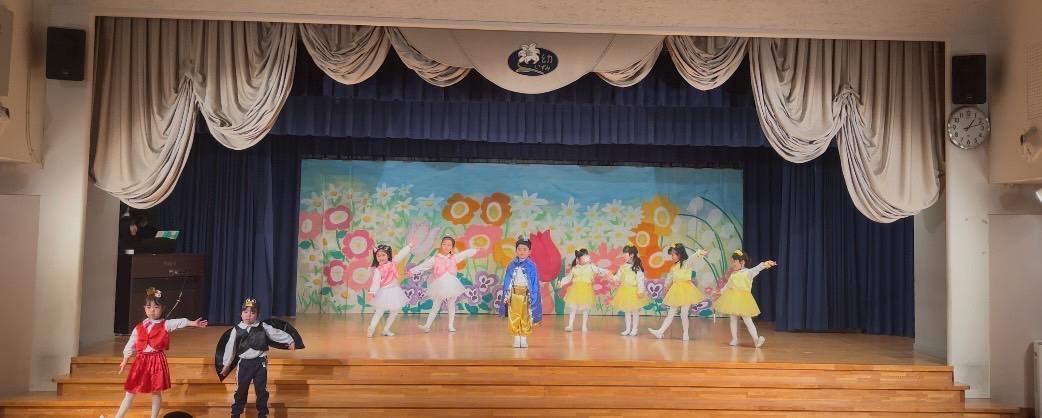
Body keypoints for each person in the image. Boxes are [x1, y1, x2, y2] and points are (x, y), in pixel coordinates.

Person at [115, 287, 207, 418]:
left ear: (162, 308)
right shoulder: (139, 327)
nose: (152, 310)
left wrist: (193, 323)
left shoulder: (166, 324)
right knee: (130, 391)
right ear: (144, 309)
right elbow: (131, 344)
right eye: (149, 307)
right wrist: (125, 359)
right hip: (140, 361)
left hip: (156, 361)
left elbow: (180, 322)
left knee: (156, 392)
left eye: (156, 307)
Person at [216, 298, 304, 418]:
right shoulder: (236, 330)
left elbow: (276, 333)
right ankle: (235, 414)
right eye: (246, 312)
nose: (249, 315)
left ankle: (263, 414)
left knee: (262, 391)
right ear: (241, 314)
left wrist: (290, 340)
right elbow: (230, 348)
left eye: (253, 312)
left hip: (259, 364)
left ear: (258, 315)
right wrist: (226, 365)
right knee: (240, 390)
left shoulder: (263, 326)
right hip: (244, 365)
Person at [408, 236, 477, 333]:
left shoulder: (454, 257)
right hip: (440, 284)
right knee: (436, 305)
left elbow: (464, 254)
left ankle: (450, 325)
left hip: (452, 284)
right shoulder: (435, 259)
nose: (445, 246)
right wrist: (413, 270)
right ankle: (427, 325)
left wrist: (473, 250)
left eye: (448, 245)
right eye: (444, 244)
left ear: (452, 248)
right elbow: (424, 266)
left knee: (451, 304)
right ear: (441, 245)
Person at [714, 250, 777, 348]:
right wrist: (720, 292)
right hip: (733, 298)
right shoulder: (733, 274)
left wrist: (766, 264)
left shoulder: (748, 273)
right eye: (732, 261)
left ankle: (756, 340)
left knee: (747, 319)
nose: (733, 263)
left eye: (735, 261)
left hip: (744, 299)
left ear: (742, 262)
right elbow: (728, 285)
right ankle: (734, 339)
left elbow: (757, 268)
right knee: (733, 318)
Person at [649, 244, 709, 340]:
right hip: (676, 291)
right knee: (670, 313)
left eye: (673, 255)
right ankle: (660, 332)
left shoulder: (686, 263)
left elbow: (694, 257)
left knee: (683, 314)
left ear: (679, 254)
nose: (672, 257)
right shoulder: (673, 267)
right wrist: (665, 288)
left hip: (686, 290)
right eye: (671, 255)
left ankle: (686, 334)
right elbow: (669, 278)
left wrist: (701, 252)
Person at [366, 240, 415, 337]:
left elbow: (401, 254)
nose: (380, 257)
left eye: (383, 255)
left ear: (388, 255)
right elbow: (375, 282)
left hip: (394, 291)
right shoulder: (378, 270)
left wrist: (409, 246)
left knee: (394, 311)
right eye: (378, 255)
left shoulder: (393, 262)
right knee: (379, 312)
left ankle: (386, 329)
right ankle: (371, 328)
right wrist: (372, 292)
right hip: (384, 292)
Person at [500, 236, 542, 348]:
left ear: (529, 251)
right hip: (514, 294)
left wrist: (533, 297)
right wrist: (507, 295)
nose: (522, 252)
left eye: (524, 249)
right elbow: (507, 281)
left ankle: (523, 338)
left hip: (526, 295)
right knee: (514, 315)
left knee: (525, 316)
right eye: (519, 249)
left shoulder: (532, 266)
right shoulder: (511, 265)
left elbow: (534, 283)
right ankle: (516, 338)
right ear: (516, 250)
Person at [558, 248, 610, 332]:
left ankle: (584, 326)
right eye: (584, 256)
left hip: (586, 290)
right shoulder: (575, 268)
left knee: (585, 309)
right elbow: (568, 278)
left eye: (587, 256)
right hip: (575, 290)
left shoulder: (591, 267)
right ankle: (570, 325)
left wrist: (607, 272)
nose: (586, 257)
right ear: (578, 259)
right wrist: (561, 283)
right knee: (573, 308)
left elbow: (599, 270)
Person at [611, 245, 648, 337]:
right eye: (623, 254)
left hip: (634, 292)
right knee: (627, 311)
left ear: (631, 255)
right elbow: (617, 278)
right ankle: (627, 329)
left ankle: (634, 329)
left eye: (625, 254)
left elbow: (640, 280)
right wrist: (611, 276)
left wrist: (640, 290)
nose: (623, 255)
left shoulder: (637, 268)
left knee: (635, 312)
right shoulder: (622, 267)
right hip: (624, 291)